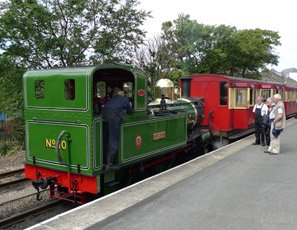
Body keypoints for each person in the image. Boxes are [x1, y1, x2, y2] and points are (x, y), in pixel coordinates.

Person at [100, 87, 134, 170]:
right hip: (113, 118)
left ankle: (103, 160)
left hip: (103, 116)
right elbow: (130, 112)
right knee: (113, 139)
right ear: (123, 94)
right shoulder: (125, 99)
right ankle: (109, 164)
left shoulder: (112, 99)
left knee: (105, 138)